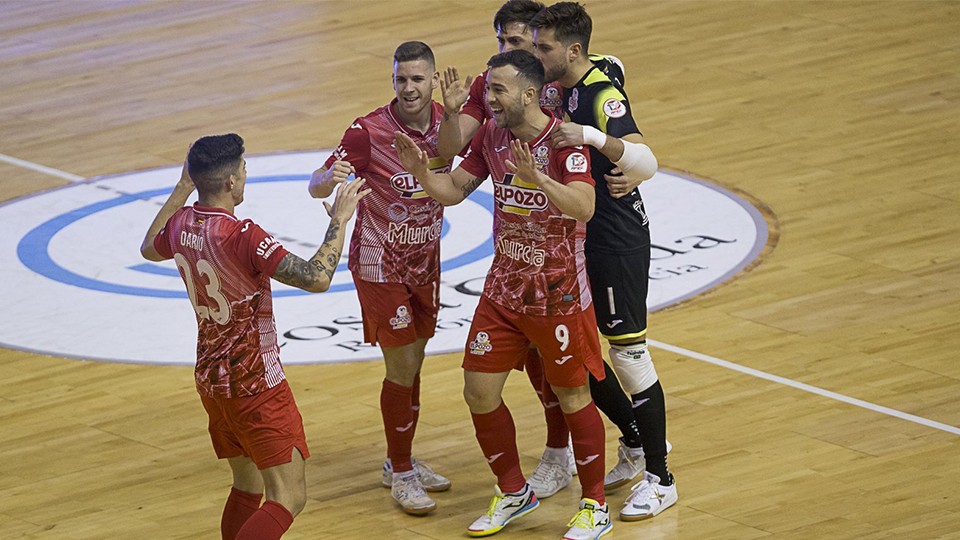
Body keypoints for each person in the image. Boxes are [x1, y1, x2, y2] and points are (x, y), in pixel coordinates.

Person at [439, 0, 655, 501]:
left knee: (607, 365)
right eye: (508, 43)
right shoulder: (496, 98)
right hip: (511, 281)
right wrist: (428, 158)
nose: (514, 52)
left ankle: (640, 470)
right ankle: (535, 479)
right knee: (507, 383)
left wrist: (625, 164)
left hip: (581, 255)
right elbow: (454, 166)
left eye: (526, 45)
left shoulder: (573, 102)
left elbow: (629, 140)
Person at [396, 49, 610, 540]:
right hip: (504, 290)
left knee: (573, 394)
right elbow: (452, 190)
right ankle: (515, 492)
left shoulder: (563, 142)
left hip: (558, 295)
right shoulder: (492, 136)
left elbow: (585, 207)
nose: (487, 98)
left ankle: (595, 507)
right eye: (487, 88)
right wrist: (423, 171)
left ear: (529, 95)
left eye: (498, 90)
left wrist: (540, 179)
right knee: (478, 390)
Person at [140, 133, 369, 539]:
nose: (247, 175)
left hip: (212, 381)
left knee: (246, 486)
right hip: (256, 384)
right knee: (287, 496)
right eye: (244, 169)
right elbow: (317, 277)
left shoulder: (179, 224)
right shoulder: (242, 235)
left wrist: (182, 186)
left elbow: (147, 248)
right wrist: (340, 219)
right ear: (230, 182)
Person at [530, 2, 677, 521]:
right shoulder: (572, 77)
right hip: (577, 239)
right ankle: (636, 441)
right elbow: (611, 58)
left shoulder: (600, 93)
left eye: (542, 46)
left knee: (629, 357)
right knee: (580, 356)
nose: (534, 52)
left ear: (570, 51)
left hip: (615, 240)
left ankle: (661, 478)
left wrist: (593, 139)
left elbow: (647, 158)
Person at [307, 41, 452, 516]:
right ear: (392, 81)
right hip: (379, 260)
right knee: (403, 365)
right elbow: (315, 184)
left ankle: (398, 460)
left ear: (433, 80)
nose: (407, 88)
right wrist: (331, 177)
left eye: (416, 79)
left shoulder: (450, 129)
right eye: (399, 79)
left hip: (425, 256)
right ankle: (402, 471)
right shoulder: (367, 130)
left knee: (416, 359)